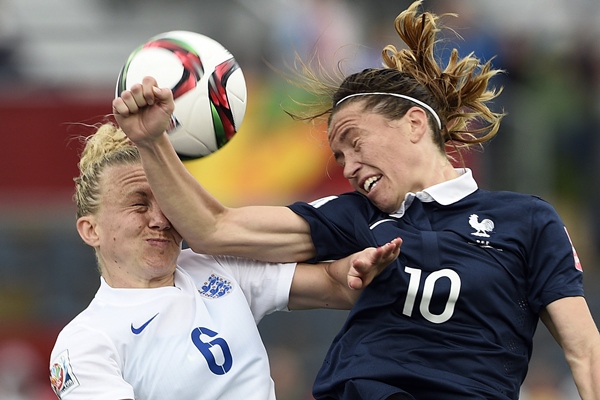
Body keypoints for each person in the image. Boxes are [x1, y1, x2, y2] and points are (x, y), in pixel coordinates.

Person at [112, 1, 600, 399]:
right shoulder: (352, 216)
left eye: (354, 141)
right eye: (338, 155)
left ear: (413, 124)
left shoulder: (527, 220)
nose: (346, 166)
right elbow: (213, 229)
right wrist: (153, 141)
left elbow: (584, 350)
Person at [48, 123, 401, 400]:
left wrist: (359, 269)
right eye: (139, 204)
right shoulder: (85, 341)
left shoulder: (216, 267)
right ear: (90, 229)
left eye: (167, 203)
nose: (160, 218)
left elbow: (337, 285)